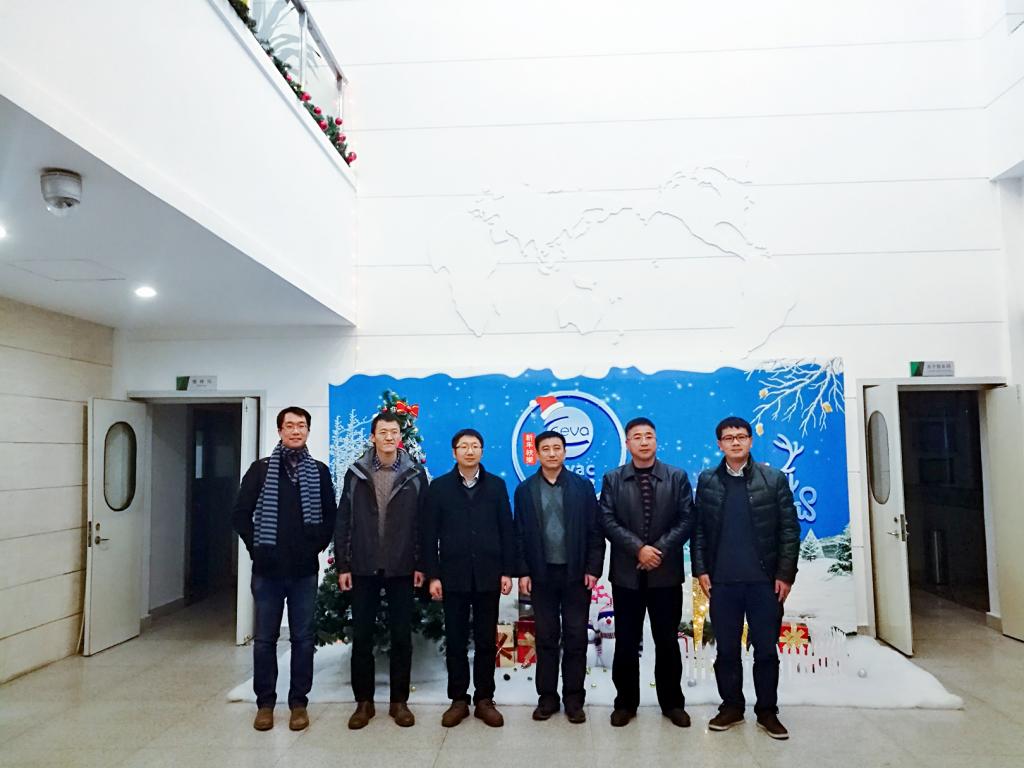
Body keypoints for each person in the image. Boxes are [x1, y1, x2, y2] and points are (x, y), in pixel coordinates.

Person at [692, 415, 801, 740]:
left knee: (766, 650)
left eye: (741, 436)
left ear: (751, 441)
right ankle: (732, 707)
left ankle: (767, 711)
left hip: (764, 583)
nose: (735, 442)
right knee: (727, 651)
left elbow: (789, 530)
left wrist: (785, 574)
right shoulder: (708, 481)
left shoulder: (773, 479)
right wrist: (701, 570)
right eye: (729, 438)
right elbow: (699, 531)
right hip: (722, 583)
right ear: (719, 444)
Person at [232, 406, 337, 732]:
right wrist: (257, 548)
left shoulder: (318, 471)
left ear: (307, 431)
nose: (295, 431)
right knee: (265, 639)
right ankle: (265, 704)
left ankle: (298, 703)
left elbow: (331, 516)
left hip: (304, 571)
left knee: (303, 639)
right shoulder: (261, 470)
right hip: (267, 572)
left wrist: (315, 546)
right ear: (280, 431)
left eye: (301, 426)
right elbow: (240, 514)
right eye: (289, 426)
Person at [334, 410, 430, 729]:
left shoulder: (415, 474)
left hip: (402, 567)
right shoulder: (356, 473)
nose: (389, 437)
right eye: (383, 432)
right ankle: (364, 703)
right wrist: (343, 565)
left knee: (401, 636)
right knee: (362, 637)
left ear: (400, 437)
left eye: (394, 432)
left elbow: (423, 524)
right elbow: (344, 520)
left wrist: (421, 564)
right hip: (363, 566)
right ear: (373, 437)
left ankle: (399, 702)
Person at [599, 416, 695, 728]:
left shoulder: (676, 477)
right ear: (628, 443)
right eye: (637, 437)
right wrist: (638, 549)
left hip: (665, 575)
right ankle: (625, 703)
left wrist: (659, 550)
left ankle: (672, 703)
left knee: (667, 641)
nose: (643, 441)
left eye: (649, 436)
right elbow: (606, 519)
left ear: (656, 440)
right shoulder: (613, 479)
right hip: (627, 575)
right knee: (626, 642)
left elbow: (687, 519)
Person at [422, 428, 516, 728]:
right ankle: (459, 700)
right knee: (456, 641)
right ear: (454, 453)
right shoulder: (440, 487)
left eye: (475, 446)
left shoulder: (497, 486)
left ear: (482, 451)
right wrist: (433, 576)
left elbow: (507, 530)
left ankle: (485, 699)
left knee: (487, 641)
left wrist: (507, 571)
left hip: (488, 575)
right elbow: (428, 535)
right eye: (463, 446)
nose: (470, 451)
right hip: (453, 576)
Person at [514, 430, 605, 724]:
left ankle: (574, 700)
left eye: (557, 448)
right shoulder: (525, 490)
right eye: (546, 449)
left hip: (576, 575)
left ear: (565, 452)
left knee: (576, 637)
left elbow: (595, 531)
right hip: (541, 575)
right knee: (546, 637)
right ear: (537, 454)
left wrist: (593, 569)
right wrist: (523, 571)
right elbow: (519, 535)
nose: (552, 453)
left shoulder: (582, 487)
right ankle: (547, 698)